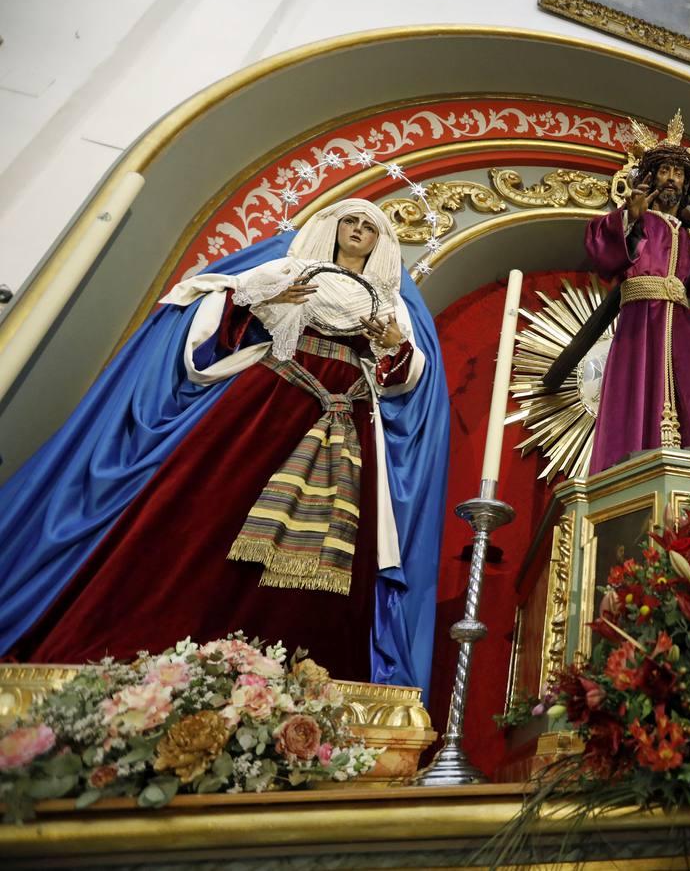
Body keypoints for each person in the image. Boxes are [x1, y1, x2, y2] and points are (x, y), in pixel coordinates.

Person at [0, 199, 450, 691]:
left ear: (381, 241)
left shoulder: (391, 305)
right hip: (275, 396)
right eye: (351, 221)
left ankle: (297, 670)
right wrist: (267, 301)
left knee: (333, 548)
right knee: (216, 503)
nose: (359, 230)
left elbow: (402, 380)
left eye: (369, 227)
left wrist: (393, 344)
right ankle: (169, 641)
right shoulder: (292, 267)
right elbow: (229, 310)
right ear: (335, 227)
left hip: (349, 418)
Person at [585, 113, 690, 474]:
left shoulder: (687, 239)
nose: (671, 180)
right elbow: (602, 249)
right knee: (637, 388)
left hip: (678, 316)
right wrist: (629, 218)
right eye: (664, 172)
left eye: (678, 174)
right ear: (650, 178)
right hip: (640, 318)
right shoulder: (638, 219)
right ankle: (629, 463)